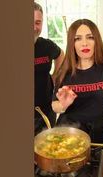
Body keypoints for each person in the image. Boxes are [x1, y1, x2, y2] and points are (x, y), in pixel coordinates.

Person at [52, 19, 103, 148]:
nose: (84, 43)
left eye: (90, 37)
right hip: (68, 133)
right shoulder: (65, 69)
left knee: (100, 167)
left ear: (96, 40)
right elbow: (54, 105)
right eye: (77, 39)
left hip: (97, 134)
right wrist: (62, 105)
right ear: (72, 43)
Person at [34, 2, 64, 136]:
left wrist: (55, 75)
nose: (34, 27)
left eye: (38, 22)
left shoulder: (47, 45)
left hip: (46, 109)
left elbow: (61, 55)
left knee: (48, 149)